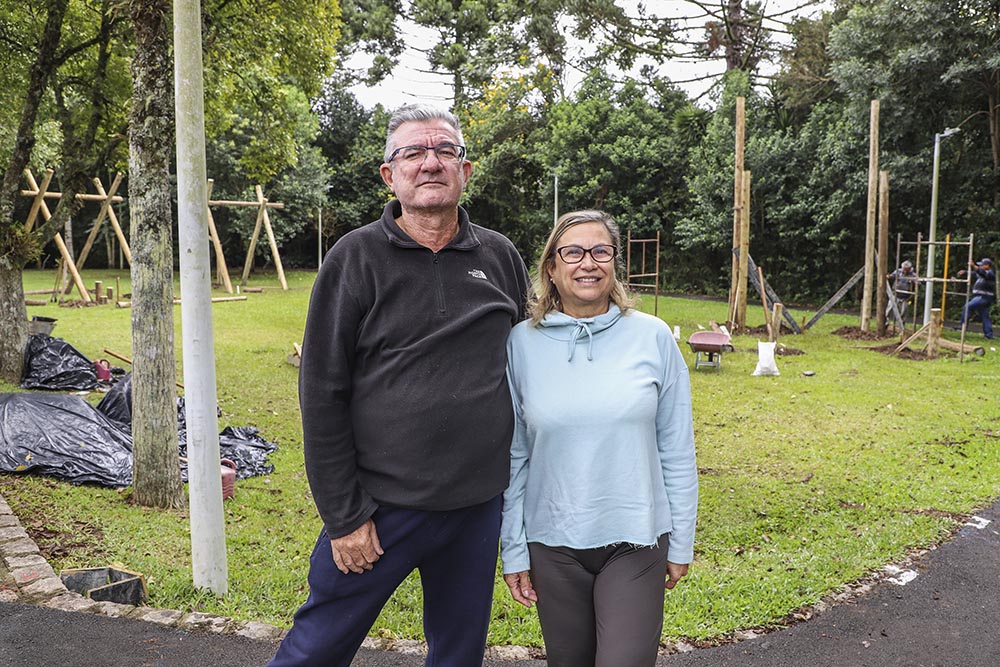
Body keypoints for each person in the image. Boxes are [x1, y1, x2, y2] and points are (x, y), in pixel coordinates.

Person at [267, 104, 529, 667]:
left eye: (445, 151)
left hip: (478, 507)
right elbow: (321, 394)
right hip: (381, 511)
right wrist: (345, 517)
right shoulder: (355, 258)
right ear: (390, 175)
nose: (430, 163)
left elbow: (530, 362)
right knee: (314, 652)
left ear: (466, 170)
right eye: (413, 152)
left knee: (458, 657)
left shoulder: (500, 256)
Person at [499, 210, 698, 667]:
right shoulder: (520, 344)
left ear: (614, 264)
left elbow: (676, 449)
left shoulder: (653, 338)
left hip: (636, 541)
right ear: (551, 267)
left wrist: (682, 540)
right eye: (573, 252)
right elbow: (515, 457)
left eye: (600, 251)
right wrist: (513, 550)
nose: (588, 262)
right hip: (553, 545)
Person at [960, 257, 995, 339]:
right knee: (985, 316)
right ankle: (988, 335)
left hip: (983, 297)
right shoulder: (981, 273)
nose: (980, 267)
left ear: (987, 266)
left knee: (967, 307)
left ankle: (962, 327)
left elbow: (981, 272)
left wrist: (974, 266)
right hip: (982, 298)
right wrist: (965, 272)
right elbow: (974, 273)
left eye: (982, 265)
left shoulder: (990, 273)